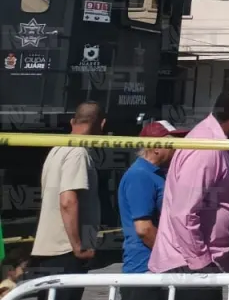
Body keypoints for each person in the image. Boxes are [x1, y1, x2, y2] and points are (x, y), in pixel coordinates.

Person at [149, 85, 229, 295]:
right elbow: (183, 213)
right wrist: (201, 265)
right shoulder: (207, 148)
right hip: (189, 267)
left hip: (202, 266)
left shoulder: (220, 144)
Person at [25, 103, 105, 300]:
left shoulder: (57, 149)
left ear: (72, 122)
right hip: (66, 251)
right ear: (101, 124)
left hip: (50, 252)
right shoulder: (78, 152)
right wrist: (78, 247)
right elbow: (68, 201)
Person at [118, 120, 188, 299]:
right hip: (144, 272)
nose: (179, 147)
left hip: (154, 270)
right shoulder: (140, 176)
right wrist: (172, 258)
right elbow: (144, 229)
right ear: (156, 147)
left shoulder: (155, 174)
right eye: (174, 142)